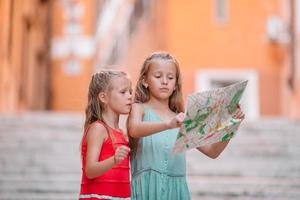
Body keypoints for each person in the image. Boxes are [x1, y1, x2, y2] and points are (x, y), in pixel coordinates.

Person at [127, 52, 245, 200]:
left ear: (176, 84)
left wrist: (231, 125)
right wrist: (167, 125)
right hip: (147, 188)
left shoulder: (182, 119)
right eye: (158, 76)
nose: (165, 81)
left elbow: (212, 152)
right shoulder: (139, 108)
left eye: (170, 78)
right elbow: (134, 129)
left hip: (176, 191)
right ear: (145, 80)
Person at [79, 70, 132, 200]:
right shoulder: (99, 129)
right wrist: (114, 160)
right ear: (104, 97)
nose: (130, 96)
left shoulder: (122, 133)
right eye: (123, 92)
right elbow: (90, 170)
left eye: (130, 91)